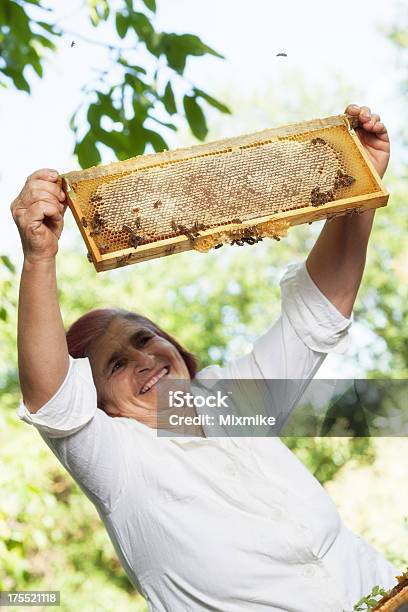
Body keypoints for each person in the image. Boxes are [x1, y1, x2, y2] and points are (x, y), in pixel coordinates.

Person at [11, 104, 397, 611]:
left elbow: (317, 313)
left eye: (144, 339)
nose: (143, 359)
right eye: (116, 365)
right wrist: (39, 258)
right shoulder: (115, 459)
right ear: (97, 399)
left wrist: (358, 185)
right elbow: (53, 397)